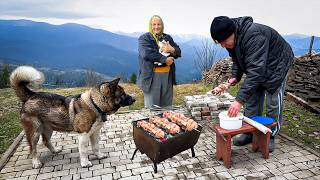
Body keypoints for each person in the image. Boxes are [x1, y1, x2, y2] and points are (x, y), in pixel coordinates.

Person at [210, 16, 294, 152]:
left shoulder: (254, 36)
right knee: (252, 100)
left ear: (232, 33)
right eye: (219, 42)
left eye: (224, 41)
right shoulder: (232, 38)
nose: (222, 45)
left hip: (277, 64)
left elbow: (256, 72)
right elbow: (237, 59)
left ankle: (270, 134)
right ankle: (250, 132)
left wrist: (238, 101)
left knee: (273, 101)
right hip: (260, 65)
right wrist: (234, 77)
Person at [137, 15, 181, 108]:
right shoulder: (145, 38)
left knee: (167, 107)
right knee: (152, 108)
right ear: (150, 25)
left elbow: (178, 52)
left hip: (167, 76)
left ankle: (166, 122)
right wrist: (165, 59)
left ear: (162, 25)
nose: (156, 27)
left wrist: (172, 49)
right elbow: (146, 54)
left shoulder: (167, 38)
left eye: (159, 24)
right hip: (151, 77)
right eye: (154, 24)